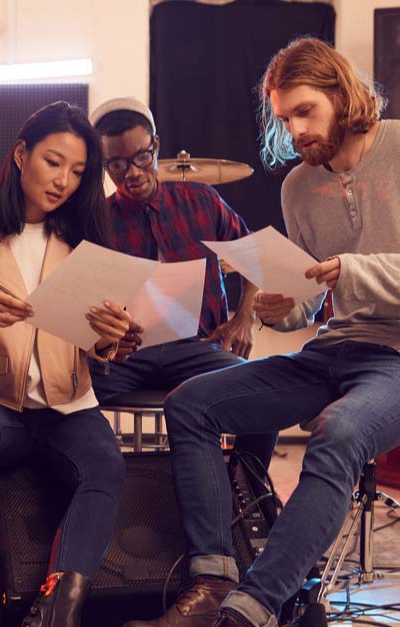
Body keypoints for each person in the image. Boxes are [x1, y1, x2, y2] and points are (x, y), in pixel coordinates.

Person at [128, 37, 400, 627]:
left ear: (342, 96)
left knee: (339, 428)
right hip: (335, 350)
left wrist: (357, 270)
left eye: (304, 112)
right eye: (283, 118)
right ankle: (213, 580)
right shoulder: (299, 186)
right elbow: (312, 303)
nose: (294, 130)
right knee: (191, 403)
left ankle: (253, 609)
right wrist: (277, 307)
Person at [0, 101, 131, 627]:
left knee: (107, 464)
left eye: (78, 171)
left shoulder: (85, 236)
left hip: (71, 408)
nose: (63, 180)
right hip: (1, 405)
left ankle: (57, 607)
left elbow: (97, 342)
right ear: (21, 154)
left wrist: (109, 339)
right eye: (53, 161)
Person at [87, 97, 277, 474]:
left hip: (196, 349)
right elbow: (86, 305)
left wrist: (243, 318)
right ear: (105, 166)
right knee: (61, 397)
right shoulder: (98, 220)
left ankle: (244, 487)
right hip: (126, 356)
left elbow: (256, 256)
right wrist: (103, 340)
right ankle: (89, 488)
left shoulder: (201, 200)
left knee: (267, 397)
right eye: (118, 165)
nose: (132, 174)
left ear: (155, 147)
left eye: (141, 157)